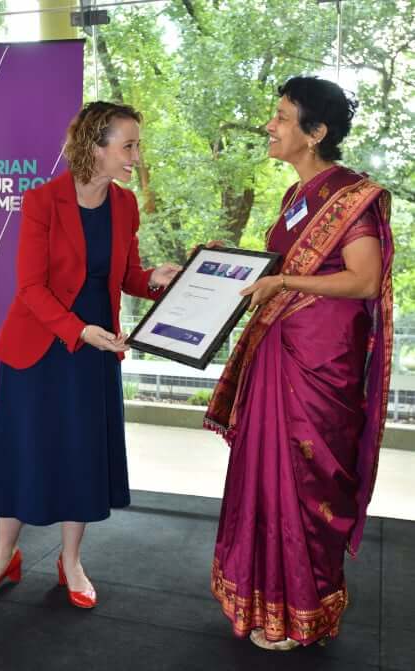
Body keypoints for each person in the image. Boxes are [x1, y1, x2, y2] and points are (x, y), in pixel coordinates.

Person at [0, 101, 180, 611]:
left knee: (81, 454)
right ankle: (2, 558)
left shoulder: (125, 205)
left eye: (136, 146)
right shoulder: (42, 201)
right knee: (22, 452)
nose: (136, 156)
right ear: (95, 148)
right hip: (40, 347)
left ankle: (71, 561)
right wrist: (79, 330)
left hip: (93, 352)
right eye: (129, 146)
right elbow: (31, 289)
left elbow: (125, 278)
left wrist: (158, 282)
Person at [204, 76, 394, 650]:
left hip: (320, 364)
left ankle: (302, 609)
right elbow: (271, 269)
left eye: (283, 117)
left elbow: (363, 278)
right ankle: (264, 599)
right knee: (264, 477)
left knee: (308, 482)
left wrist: (284, 278)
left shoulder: (353, 196)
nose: (271, 125)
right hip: (278, 354)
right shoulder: (295, 196)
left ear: (316, 134)